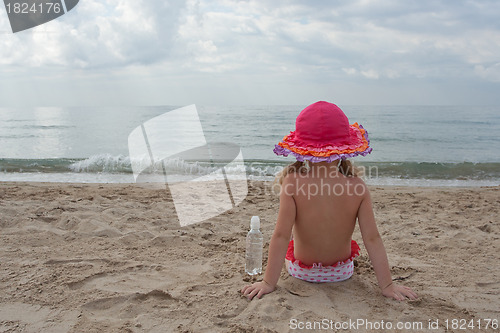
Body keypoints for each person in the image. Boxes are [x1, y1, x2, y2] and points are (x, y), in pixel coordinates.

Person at [241, 101, 417, 301]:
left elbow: (281, 236)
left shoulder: (292, 182)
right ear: (343, 149)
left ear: (303, 149)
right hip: (342, 272)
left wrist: (268, 283)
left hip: (301, 273)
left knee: (292, 241)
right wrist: (387, 285)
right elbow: (372, 238)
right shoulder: (358, 186)